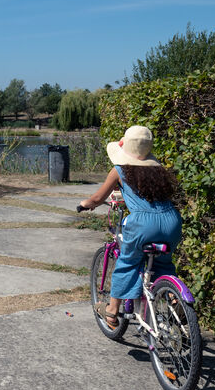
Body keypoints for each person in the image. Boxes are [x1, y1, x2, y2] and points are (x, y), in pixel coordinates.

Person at [78, 125, 182, 329]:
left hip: (143, 225)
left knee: (128, 263)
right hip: (171, 221)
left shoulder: (119, 170)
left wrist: (85, 204)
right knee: (163, 265)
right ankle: (176, 301)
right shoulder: (158, 171)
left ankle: (112, 312)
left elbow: (98, 198)